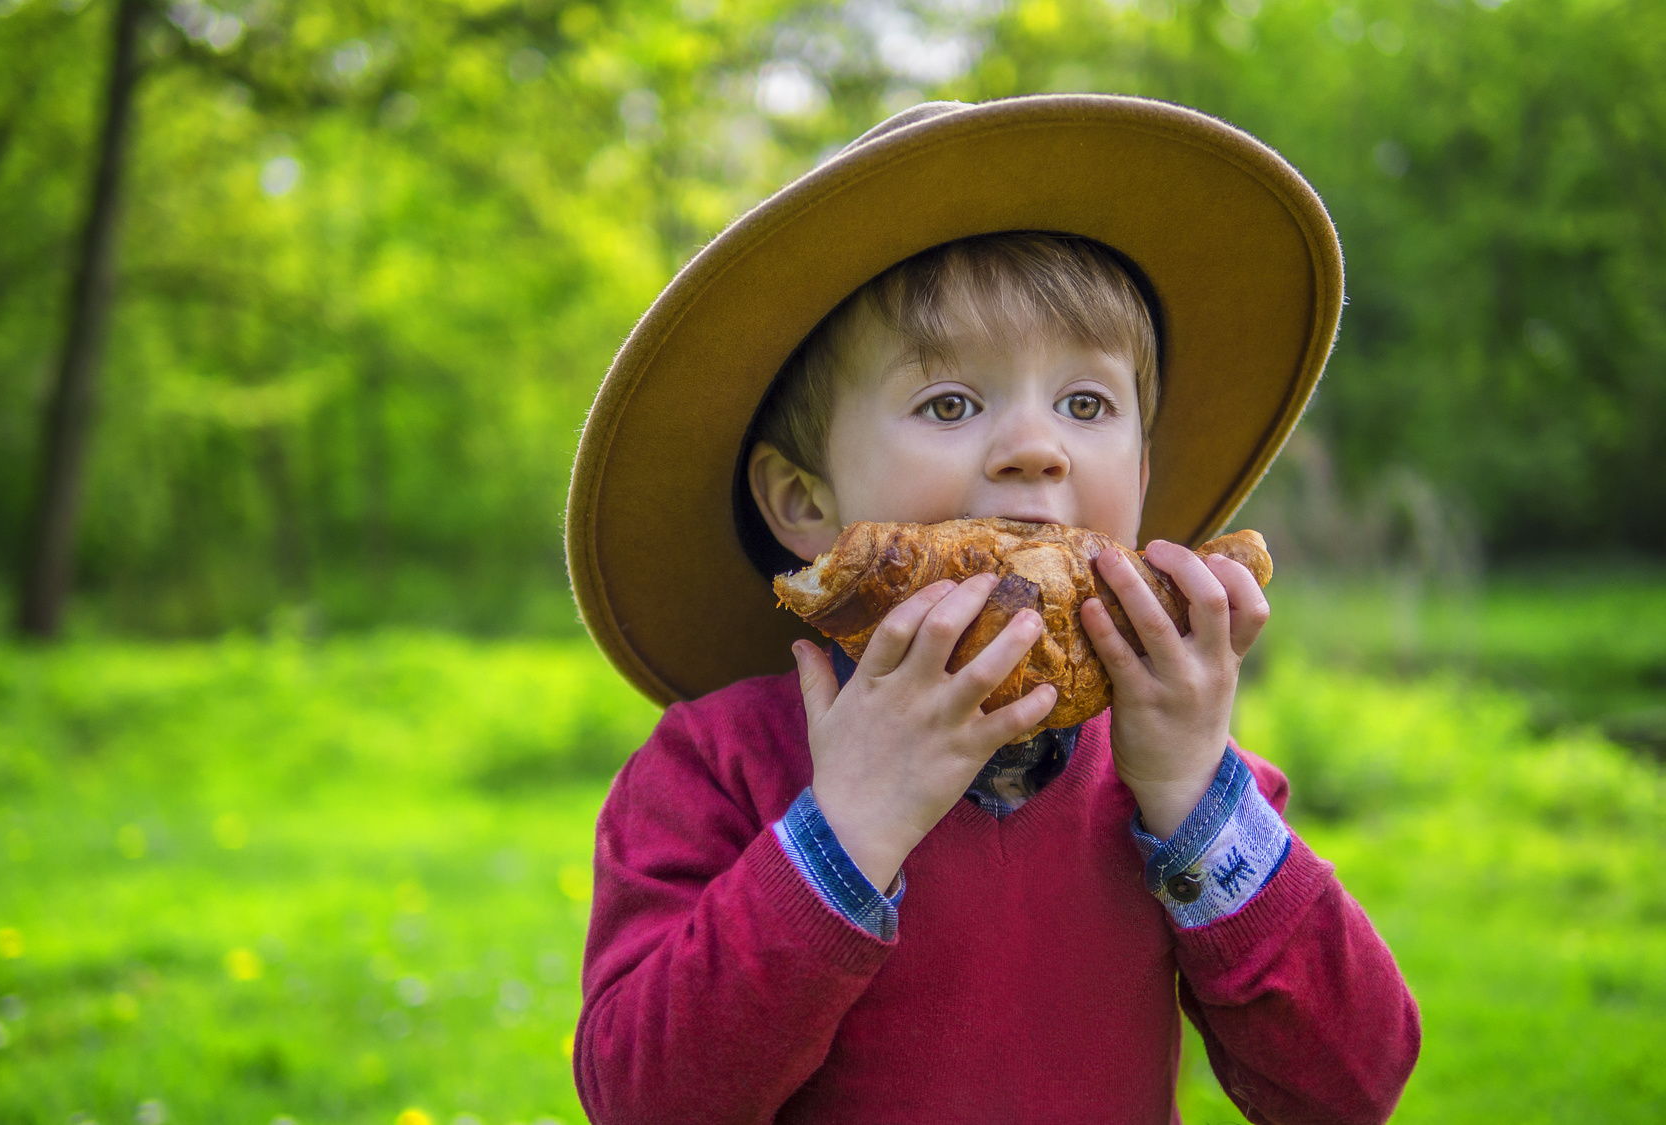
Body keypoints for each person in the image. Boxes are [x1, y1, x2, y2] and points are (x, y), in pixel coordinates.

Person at [564, 96, 1419, 1125]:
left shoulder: (1169, 770)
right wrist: (845, 833)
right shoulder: (714, 765)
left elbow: (1350, 1084)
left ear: (1141, 474)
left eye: (1085, 405)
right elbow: (644, 1102)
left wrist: (1194, 795)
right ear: (804, 502)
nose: (1035, 448)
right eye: (949, 404)